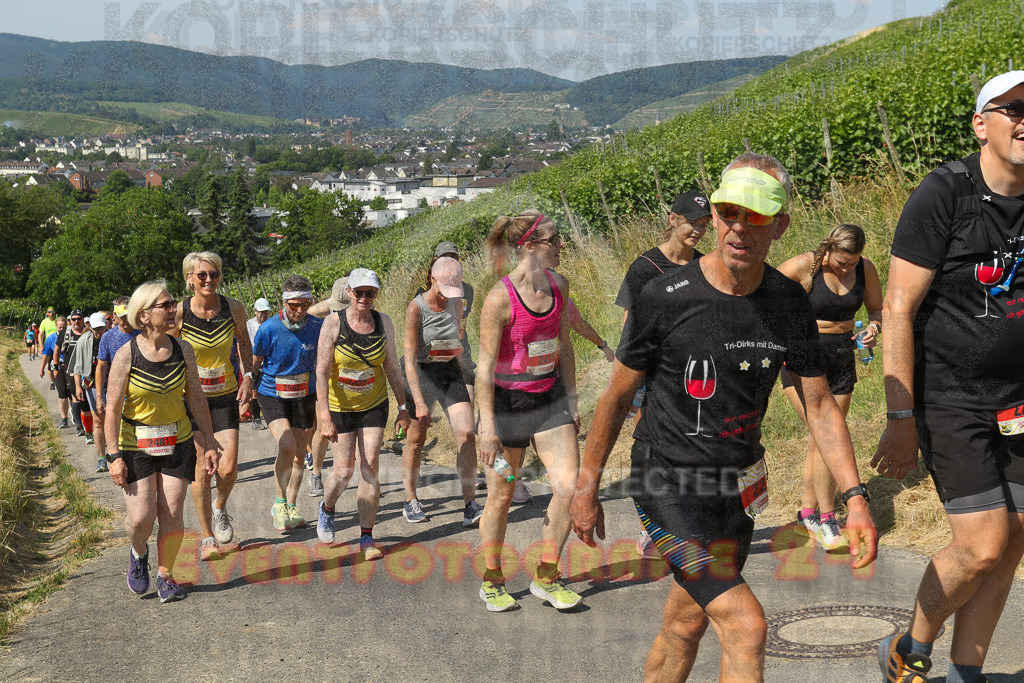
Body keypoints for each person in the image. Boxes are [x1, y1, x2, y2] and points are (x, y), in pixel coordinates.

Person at [571, 155, 877, 681]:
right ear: (713, 216)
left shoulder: (787, 301)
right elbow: (617, 397)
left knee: (685, 622)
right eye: (728, 211)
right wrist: (585, 485)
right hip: (666, 480)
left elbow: (821, 405)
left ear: (780, 225)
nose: (738, 226)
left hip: (737, 487)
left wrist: (855, 500)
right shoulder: (665, 296)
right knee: (745, 624)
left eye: (755, 215)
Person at [871, 71, 1024, 683]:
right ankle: (909, 645)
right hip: (949, 396)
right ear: (980, 124)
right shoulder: (945, 194)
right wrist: (900, 416)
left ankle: (967, 673)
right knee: (984, 542)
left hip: (1017, 398)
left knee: (1015, 541)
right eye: (1011, 108)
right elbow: (897, 307)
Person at [476, 210, 583, 612]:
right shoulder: (499, 298)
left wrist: (571, 399)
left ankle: (547, 576)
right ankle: (492, 579)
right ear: (529, 246)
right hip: (506, 406)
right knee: (502, 497)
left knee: (569, 487)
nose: (560, 246)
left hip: (549, 399)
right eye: (553, 240)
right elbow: (485, 367)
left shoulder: (560, 285)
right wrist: (487, 427)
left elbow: (565, 345)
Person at [103, 280, 220, 602]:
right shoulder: (126, 355)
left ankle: (166, 574)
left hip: (177, 439)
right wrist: (113, 456)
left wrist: (209, 441)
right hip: (135, 444)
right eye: (165, 306)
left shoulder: (183, 349)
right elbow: (111, 410)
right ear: (143, 315)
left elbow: (196, 397)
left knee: (171, 510)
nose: (173, 310)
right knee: (141, 517)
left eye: (173, 304)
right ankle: (138, 553)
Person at [614, 190, 712, 558]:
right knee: (652, 452)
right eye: (692, 223)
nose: (698, 231)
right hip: (650, 375)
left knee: (690, 448)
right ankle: (651, 527)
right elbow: (629, 326)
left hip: (692, 376)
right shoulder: (644, 268)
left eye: (704, 225)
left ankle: (684, 520)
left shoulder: (705, 266)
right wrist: (628, 379)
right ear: (673, 219)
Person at [777, 224, 883, 550]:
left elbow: (877, 310)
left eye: (852, 262)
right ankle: (827, 520)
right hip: (801, 361)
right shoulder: (802, 266)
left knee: (822, 439)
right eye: (840, 261)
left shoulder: (866, 269)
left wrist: (874, 328)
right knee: (825, 437)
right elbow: (762, 298)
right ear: (828, 249)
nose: (846, 268)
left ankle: (807, 513)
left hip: (841, 357)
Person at [315, 268, 410, 560]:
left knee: (369, 467)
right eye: (359, 293)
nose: (364, 298)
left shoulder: (384, 322)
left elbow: (392, 366)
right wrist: (324, 415)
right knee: (343, 472)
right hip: (340, 406)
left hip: (374, 403)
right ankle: (327, 508)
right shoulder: (333, 323)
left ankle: (367, 537)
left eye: (370, 293)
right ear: (349, 293)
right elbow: (320, 372)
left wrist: (404, 407)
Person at [173, 252, 254, 561]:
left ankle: (220, 507)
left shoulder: (233, 308)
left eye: (214, 274)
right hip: (191, 399)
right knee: (201, 469)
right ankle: (207, 537)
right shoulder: (179, 313)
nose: (209, 279)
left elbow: (244, 343)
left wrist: (247, 375)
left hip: (224, 394)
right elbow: (168, 353)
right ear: (189, 279)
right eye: (202, 274)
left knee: (228, 466)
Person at [400, 256, 483, 526]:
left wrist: (464, 376)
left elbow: (457, 340)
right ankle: (410, 500)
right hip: (421, 375)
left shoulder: (457, 303)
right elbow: (409, 359)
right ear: (432, 279)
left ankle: (470, 504)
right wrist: (420, 403)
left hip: (449, 372)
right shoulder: (416, 308)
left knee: (467, 433)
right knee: (416, 439)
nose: (449, 298)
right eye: (445, 291)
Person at [253, 275, 323, 532]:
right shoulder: (268, 328)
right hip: (272, 394)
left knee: (299, 453)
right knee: (287, 445)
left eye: (305, 305)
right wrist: (248, 390)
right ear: (283, 302)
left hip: (304, 394)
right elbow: (256, 364)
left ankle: (291, 507)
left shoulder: (318, 326)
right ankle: (279, 502)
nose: (299, 311)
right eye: (294, 305)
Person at [307, 276, 350, 494]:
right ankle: (316, 473)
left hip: (354, 380)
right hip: (327, 377)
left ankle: (368, 477)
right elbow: (308, 313)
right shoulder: (327, 312)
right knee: (323, 429)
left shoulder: (364, 306)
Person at [95, 297, 141, 472]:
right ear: (114, 315)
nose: (125, 320)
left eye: (128, 315)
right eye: (122, 316)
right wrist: (99, 396)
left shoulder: (143, 332)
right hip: (118, 392)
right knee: (120, 433)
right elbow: (101, 367)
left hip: (142, 392)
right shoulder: (108, 337)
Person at [69, 312, 108, 466]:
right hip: (91, 384)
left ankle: (116, 453)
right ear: (90, 327)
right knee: (98, 421)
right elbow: (78, 366)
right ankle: (101, 458)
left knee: (113, 420)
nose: (99, 332)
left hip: (111, 383)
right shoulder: (84, 340)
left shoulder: (110, 337)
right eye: (96, 328)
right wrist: (78, 386)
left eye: (102, 328)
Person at [244, 298, 273, 431]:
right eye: (261, 312)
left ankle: (272, 416)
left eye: (266, 312)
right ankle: (256, 419)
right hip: (254, 360)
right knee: (254, 392)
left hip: (269, 360)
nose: (263, 315)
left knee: (269, 391)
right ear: (255, 311)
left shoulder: (272, 324)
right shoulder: (249, 325)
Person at [58, 310, 88, 436]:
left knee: (86, 398)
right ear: (70, 320)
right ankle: (79, 426)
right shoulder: (66, 332)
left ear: (82, 319)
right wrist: (55, 367)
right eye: (74, 319)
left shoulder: (88, 332)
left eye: (79, 318)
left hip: (87, 369)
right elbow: (57, 350)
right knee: (76, 397)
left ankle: (87, 424)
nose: (76, 321)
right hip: (71, 370)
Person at [39, 316, 68, 424]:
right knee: (62, 393)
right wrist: (42, 368)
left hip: (69, 366)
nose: (62, 329)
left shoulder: (71, 336)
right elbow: (47, 355)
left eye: (64, 327)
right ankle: (64, 418)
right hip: (57, 366)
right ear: (56, 327)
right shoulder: (51, 338)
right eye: (59, 327)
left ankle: (75, 415)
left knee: (71, 393)